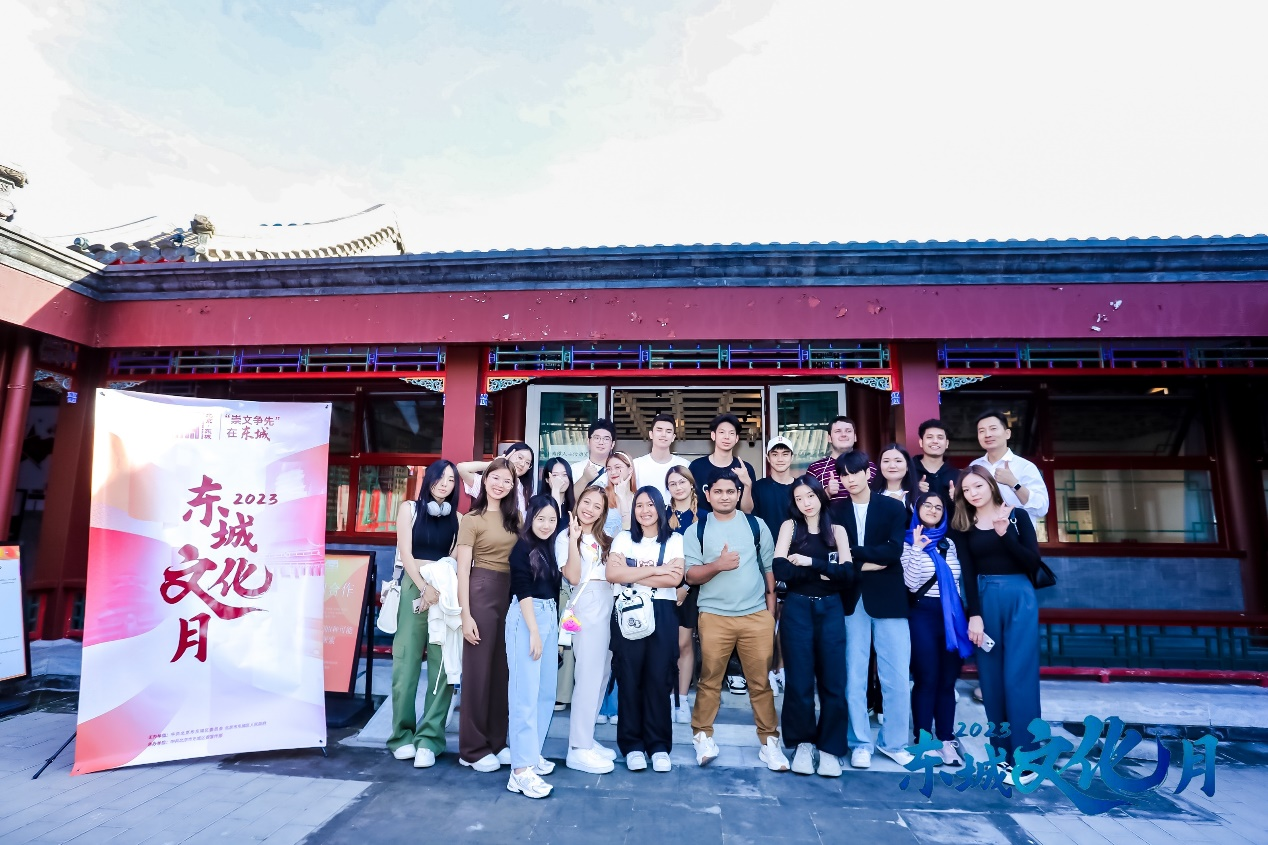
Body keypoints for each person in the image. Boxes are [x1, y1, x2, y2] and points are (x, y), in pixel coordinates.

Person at [684, 471, 790, 772]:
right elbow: (690, 575)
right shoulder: (697, 530)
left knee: (760, 683)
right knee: (709, 681)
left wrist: (770, 612)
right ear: (708, 494)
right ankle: (702, 737)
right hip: (714, 615)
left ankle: (770, 743)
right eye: (718, 491)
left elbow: (769, 568)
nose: (724, 497)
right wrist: (718, 565)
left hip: (755, 616)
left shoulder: (756, 525)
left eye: (730, 491)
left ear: (739, 493)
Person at [952, 465, 1043, 785]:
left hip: (1019, 596)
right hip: (985, 598)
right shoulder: (964, 525)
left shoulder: (1017, 516)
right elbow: (967, 571)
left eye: (977, 486)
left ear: (991, 485)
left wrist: (1006, 535)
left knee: (1019, 677)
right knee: (990, 680)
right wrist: (974, 615)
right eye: (966, 490)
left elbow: (1032, 562)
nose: (972, 493)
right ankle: (1002, 755)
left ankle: (1027, 759)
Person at [830, 450, 913, 770]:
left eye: (855, 472)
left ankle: (894, 743)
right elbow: (835, 557)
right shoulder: (835, 510)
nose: (850, 479)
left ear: (868, 473)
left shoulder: (892, 507)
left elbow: (893, 552)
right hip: (851, 599)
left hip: (889, 600)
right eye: (844, 475)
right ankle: (859, 742)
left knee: (897, 676)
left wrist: (855, 555)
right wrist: (868, 560)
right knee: (853, 675)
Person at [772, 474, 852, 777]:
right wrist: (825, 573)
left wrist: (809, 563)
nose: (806, 503)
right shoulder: (790, 527)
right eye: (799, 498)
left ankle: (830, 748)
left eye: (810, 496)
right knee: (799, 681)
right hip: (797, 608)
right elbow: (780, 568)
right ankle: (802, 744)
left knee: (834, 681)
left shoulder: (838, 531)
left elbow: (847, 575)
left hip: (831, 610)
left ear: (820, 495)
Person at [387, 460, 461, 769]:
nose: (445, 483)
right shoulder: (410, 509)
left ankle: (430, 739)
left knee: (441, 664)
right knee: (405, 663)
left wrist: (436, 588)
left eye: (451, 479)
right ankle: (401, 736)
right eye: (440, 477)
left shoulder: (458, 518)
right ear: (428, 478)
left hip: (444, 591)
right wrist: (423, 587)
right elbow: (405, 552)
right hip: (414, 586)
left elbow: (454, 559)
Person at [605, 487, 685, 772]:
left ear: (660, 507)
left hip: (662, 612)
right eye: (639, 505)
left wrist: (632, 571)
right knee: (629, 678)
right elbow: (612, 574)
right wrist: (656, 569)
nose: (645, 510)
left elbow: (674, 579)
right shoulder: (624, 538)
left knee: (659, 679)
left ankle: (659, 746)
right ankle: (632, 745)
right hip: (628, 611)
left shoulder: (675, 540)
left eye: (651, 505)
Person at [456, 457, 520, 772]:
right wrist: (465, 615)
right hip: (480, 591)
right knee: (478, 674)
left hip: (509, 594)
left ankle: (497, 741)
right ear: (484, 479)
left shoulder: (515, 519)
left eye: (507, 480)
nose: (500, 484)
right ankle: (472, 749)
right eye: (495, 477)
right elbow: (462, 571)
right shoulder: (472, 518)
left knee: (501, 673)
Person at [901, 492, 973, 768]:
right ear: (917, 510)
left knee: (947, 681)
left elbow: (959, 580)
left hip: (952, 617)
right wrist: (917, 549)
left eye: (938, 507)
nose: (932, 510)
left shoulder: (949, 543)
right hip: (923, 614)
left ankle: (946, 738)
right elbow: (910, 583)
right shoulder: (907, 541)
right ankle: (923, 739)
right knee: (927, 678)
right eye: (927, 505)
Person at [556, 485, 618, 774]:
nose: (590, 509)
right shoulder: (565, 537)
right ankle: (578, 749)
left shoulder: (605, 538)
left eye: (597, 506)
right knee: (588, 677)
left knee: (601, 675)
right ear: (577, 502)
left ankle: (586, 738)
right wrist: (573, 537)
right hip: (587, 602)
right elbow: (572, 576)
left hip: (608, 601)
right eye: (586, 502)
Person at [505, 496, 563, 799]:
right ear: (530, 518)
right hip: (527, 617)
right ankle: (520, 771)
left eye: (552, 519)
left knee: (546, 692)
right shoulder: (522, 547)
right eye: (541, 518)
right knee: (524, 696)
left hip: (549, 614)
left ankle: (531, 754)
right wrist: (534, 632)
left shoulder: (551, 547)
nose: (546, 525)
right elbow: (522, 589)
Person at [751, 436, 797, 696]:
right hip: (764, 559)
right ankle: (767, 669)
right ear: (768, 458)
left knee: (787, 618)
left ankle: (782, 668)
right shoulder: (759, 487)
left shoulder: (801, 486)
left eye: (785, 453)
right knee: (768, 617)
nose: (780, 458)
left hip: (794, 559)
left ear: (792, 457)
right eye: (775, 454)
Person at [969, 411, 1049, 530]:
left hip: (1018, 535)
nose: (987, 434)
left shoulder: (1025, 466)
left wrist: (1014, 484)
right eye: (981, 431)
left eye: (993, 429)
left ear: (1007, 433)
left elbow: (1041, 508)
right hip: (982, 535)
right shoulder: (974, 466)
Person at [665, 465, 699, 725]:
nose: (678, 487)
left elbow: (706, 557)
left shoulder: (705, 517)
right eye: (672, 483)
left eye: (682, 482)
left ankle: (683, 699)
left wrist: (686, 587)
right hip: (663, 587)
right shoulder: (661, 514)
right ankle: (666, 696)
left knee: (684, 643)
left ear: (691, 484)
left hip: (693, 589)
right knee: (665, 645)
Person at [688, 414, 756, 515]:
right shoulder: (696, 467)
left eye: (731, 433)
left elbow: (747, 511)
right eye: (722, 432)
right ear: (713, 435)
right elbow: (689, 503)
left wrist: (747, 484)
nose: (726, 437)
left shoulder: (745, 469)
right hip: (703, 523)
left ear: (737, 438)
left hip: (735, 524)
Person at [807, 416, 875, 503]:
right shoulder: (815, 469)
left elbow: (879, 498)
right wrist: (827, 492)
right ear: (829, 438)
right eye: (838, 431)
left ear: (855, 437)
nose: (843, 435)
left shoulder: (870, 467)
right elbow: (808, 502)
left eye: (848, 431)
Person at [457, 442, 535, 518]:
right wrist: (495, 464)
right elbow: (461, 468)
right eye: (520, 457)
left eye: (527, 463)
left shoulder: (528, 493)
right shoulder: (489, 482)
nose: (522, 464)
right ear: (509, 454)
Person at [633, 413, 689, 504]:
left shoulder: (685, 465)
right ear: (651, 434)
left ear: (673, 437)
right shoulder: (636, 465)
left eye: (668, 431)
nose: (663, 434)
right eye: (659, 430)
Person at [914, 419, 958, 513]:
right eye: (930, 437)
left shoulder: (958, 475)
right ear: (921, 442)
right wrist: (913, 489)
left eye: (940, 437)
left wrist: (960, 498)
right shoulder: (908, 471)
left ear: (947, 444)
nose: (935, 441)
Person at [571, 419, 616, 497]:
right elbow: (570, 500)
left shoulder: (617, 471)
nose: (601, 442)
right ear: (588, 441)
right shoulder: (574, 469)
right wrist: (585, 479)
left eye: (606, 439)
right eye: (597, 438)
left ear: (612, 444)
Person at [872, 443, 919, 510]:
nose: (892, 466)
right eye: (886, 461)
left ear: (907, 466)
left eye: (898, 461)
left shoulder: (918, 497)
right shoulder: (870, 495)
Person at [604, 451, 636, 533]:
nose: (613, 472)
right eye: (609, 469)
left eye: (618, 467)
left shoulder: (638, 498)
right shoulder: (602, 496)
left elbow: (627, 528)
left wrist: (622, 497)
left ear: (630, 470)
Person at [540, 457, 575, 530]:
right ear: (547, 479)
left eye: (565, 475)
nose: (560, 479)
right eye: (555, 475)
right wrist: (555, 489)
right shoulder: (538, 502)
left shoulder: (574, 504)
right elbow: (553, 526)